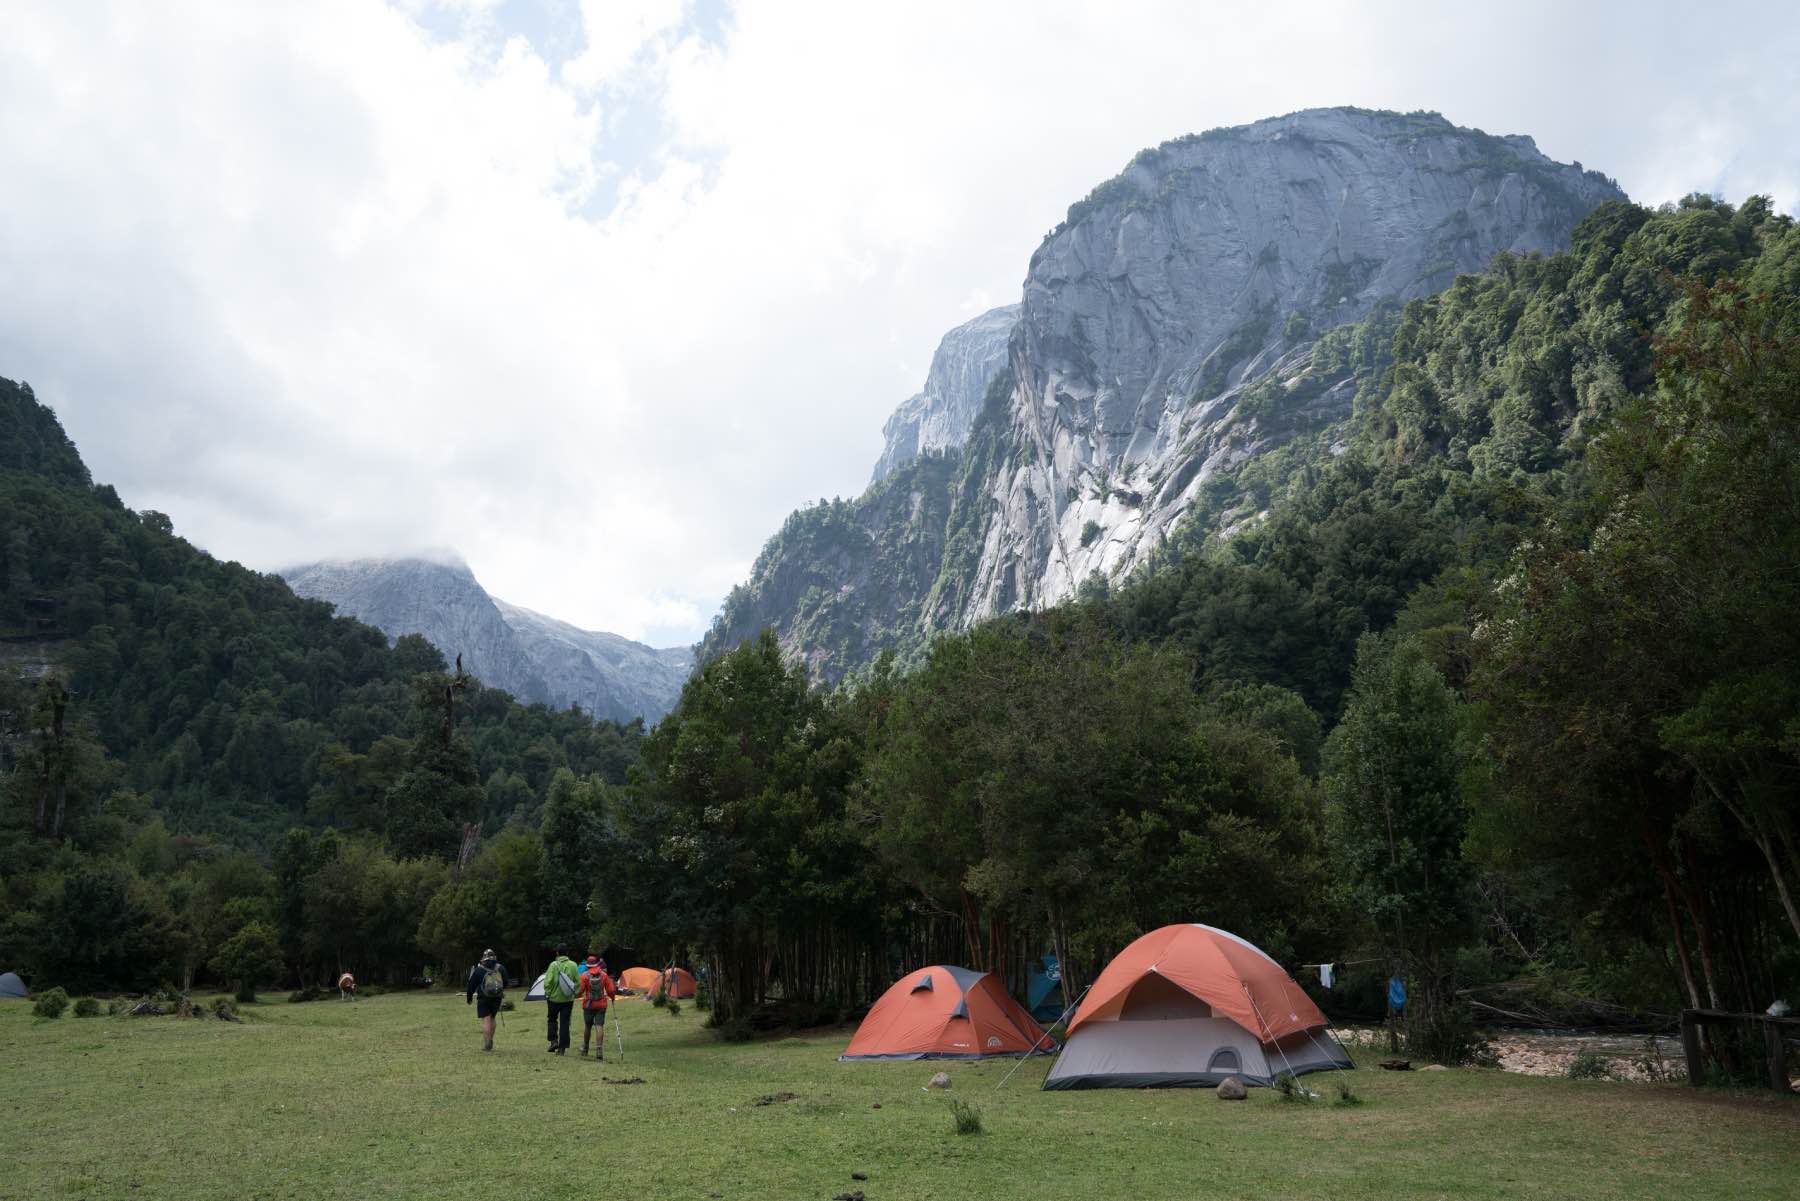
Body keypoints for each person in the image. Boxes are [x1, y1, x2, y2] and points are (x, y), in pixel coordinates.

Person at [464, 948, 507, 1052]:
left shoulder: (479, 969)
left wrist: (469, 997)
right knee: (492, 1018)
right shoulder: (500, 968)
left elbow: (471, 985)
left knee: (486, 1020)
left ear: (484, 958)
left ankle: (487, 1043)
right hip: (497, 997)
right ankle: (491, 1040)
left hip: (483, 998)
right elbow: (506, 982)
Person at [542, 943, 582, 1055]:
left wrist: (548, 993)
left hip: (553, 999)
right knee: (565, 1022)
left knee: (552, 1019)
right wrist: (574, 994)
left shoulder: (553, 965)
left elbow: (548, 982)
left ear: (557, 953)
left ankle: (554, 1041)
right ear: (567, 953)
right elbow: (578, 983)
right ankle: (562, 1048)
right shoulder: (573, 965)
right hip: (568, 1000)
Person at [577, 955, 619, 1060]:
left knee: (588, 1026)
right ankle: (599, 1050)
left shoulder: (584, 976)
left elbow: (580, 991)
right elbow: (610, 990)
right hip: (601, 1004)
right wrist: (612, 997)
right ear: (597, 964)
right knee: (599, 1026)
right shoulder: (604, 975)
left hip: (588, 1004)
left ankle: (585, 1048)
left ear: (587, 965)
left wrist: (575, 995)